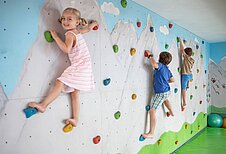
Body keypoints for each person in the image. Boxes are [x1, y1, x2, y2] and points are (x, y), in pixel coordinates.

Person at [28, 7, 98, 127]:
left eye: (69, 19)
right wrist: (93, 24)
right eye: (64, 18)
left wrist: (56, 37)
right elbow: (88, 29)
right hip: (85, 66)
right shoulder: (78, 31)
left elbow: (66, 49)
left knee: (60, 82)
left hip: (80, 66)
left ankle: (43, 105)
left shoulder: (70, 34)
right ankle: (75, 119)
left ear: (77, 22)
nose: (65, 21)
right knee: (75, 94)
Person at [142, 50, 175, 138]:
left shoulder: (160, 66)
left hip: (161, 93)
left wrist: (150, 56)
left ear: (159, 58)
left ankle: (151, 132)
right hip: (167, 91)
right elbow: (172, 80)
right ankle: (172, 112)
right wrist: (164, 80)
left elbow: (154, 65)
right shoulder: (167, 69)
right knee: (165, 100)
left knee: (152, 111)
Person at [179, 38, 194, 111]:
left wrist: (180, 42)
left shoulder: (186, 58)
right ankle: (188, 84)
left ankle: (184, 102)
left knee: (183, 89)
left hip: (185, 75)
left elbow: (182, 50)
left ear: (186, 53)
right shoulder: (192, 60)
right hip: (190, 75)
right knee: (187, 82)